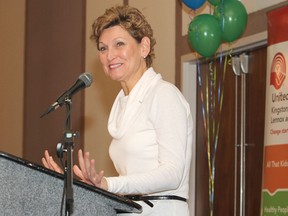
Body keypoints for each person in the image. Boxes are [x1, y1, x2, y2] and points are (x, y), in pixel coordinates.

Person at [42, 5, 193, 216]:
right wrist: (70, 184)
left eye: (119, 44)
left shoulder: (164, 95)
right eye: (103, 48)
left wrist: (108, 184)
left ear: (144, 47)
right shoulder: (123, 105)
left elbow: (172, 174)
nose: (109, 55)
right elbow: (124, 185)